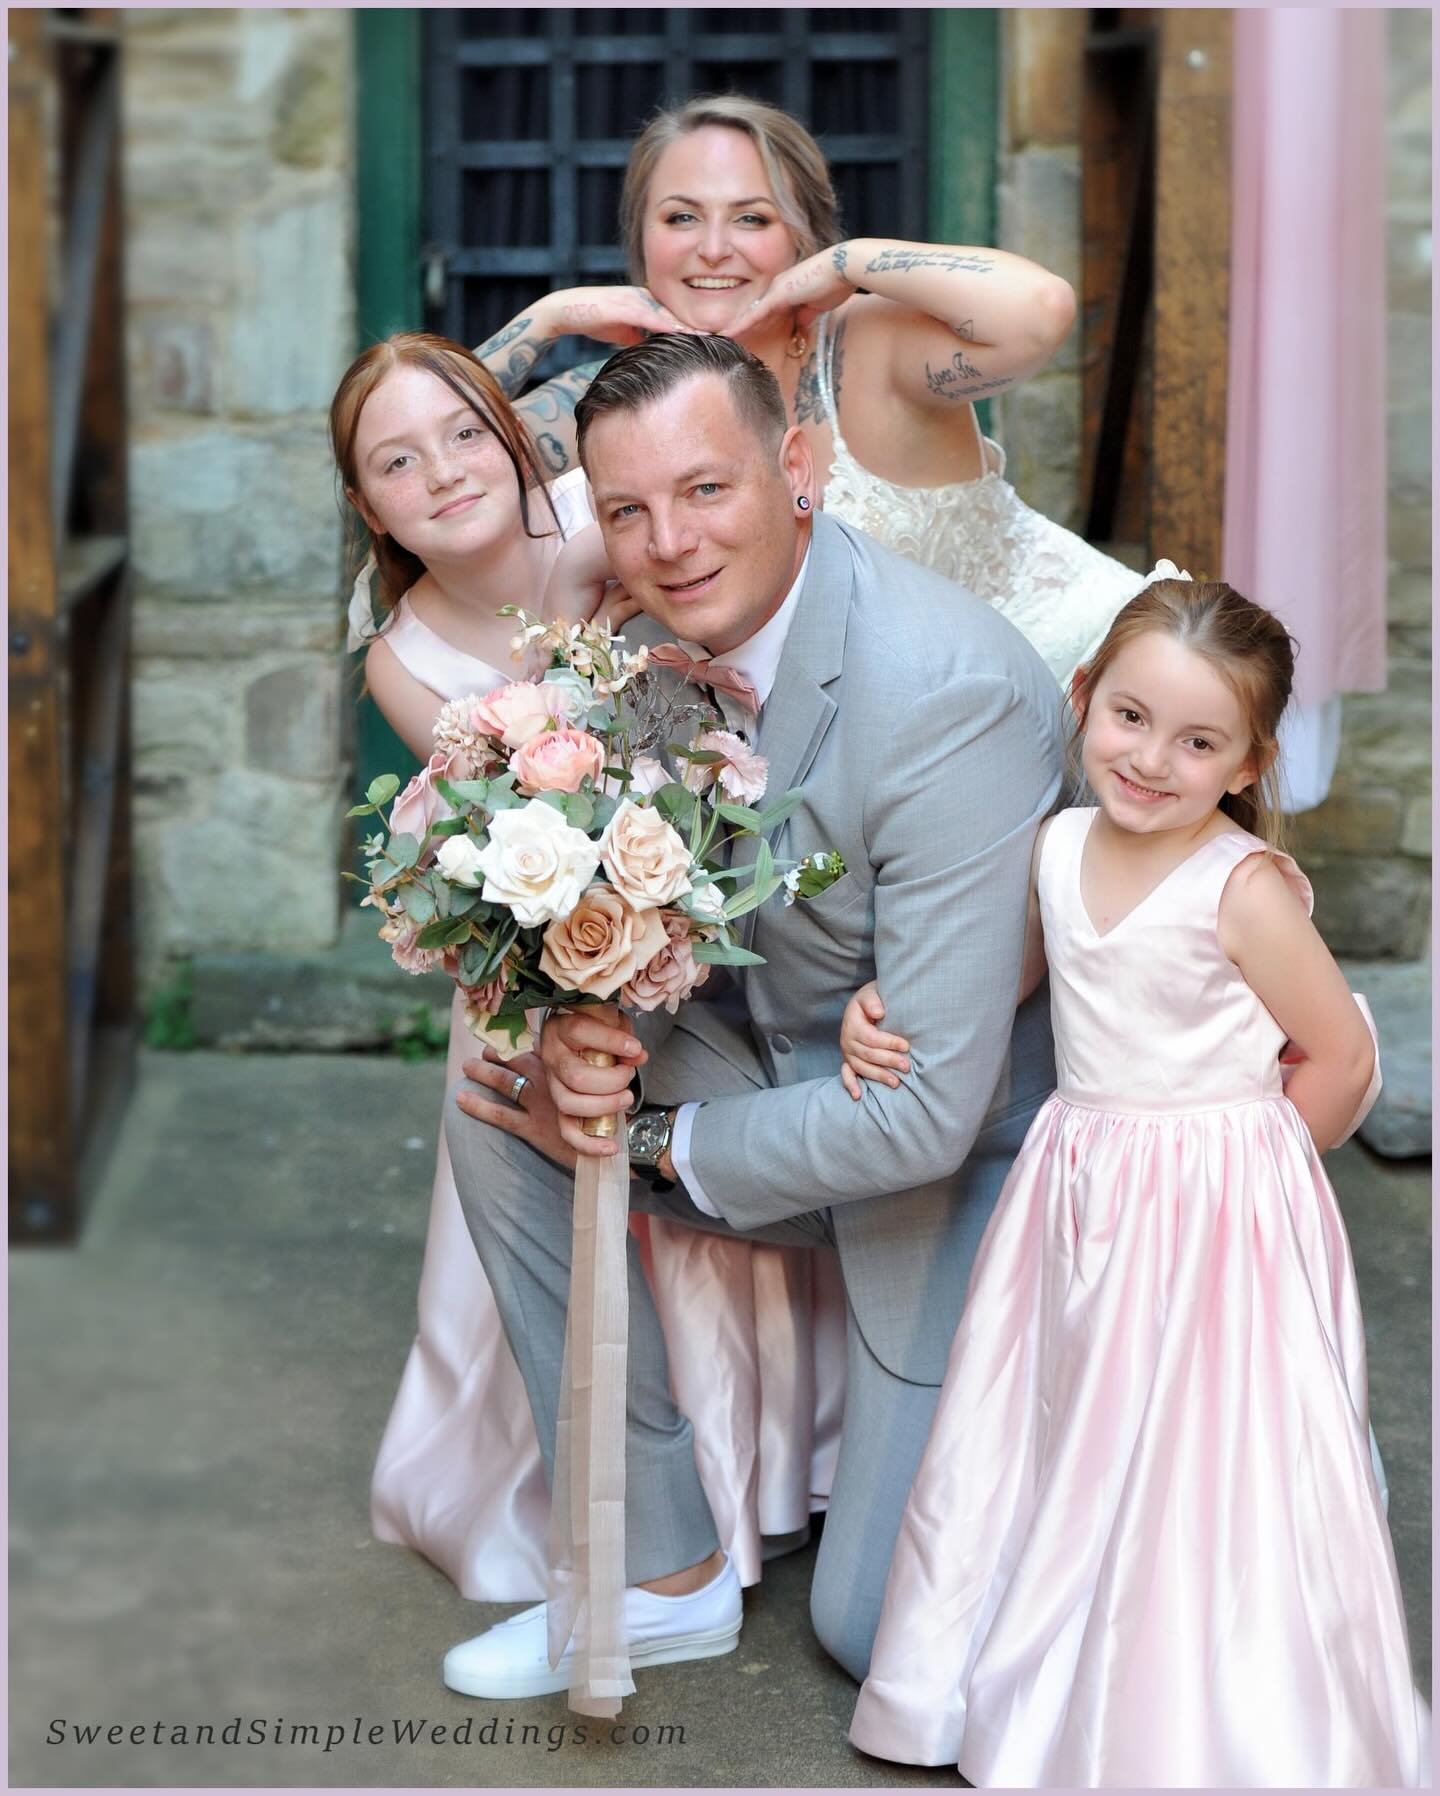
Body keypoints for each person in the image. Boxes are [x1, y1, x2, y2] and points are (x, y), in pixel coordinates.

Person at [439, 331, 1064, 1699]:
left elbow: (924, 1115)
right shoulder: (653, 659)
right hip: (788, 1061)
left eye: (706, 490)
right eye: (627, 509)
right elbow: (703, 925)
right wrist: (584, 1027)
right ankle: (657, 1568)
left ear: (800, 466)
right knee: (501, 1096)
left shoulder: (939, 694)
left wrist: (646, 1135)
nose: (669, 541)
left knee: (880, 1641)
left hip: (960, 1175)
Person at [845, 577, 1430, 1786]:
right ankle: (1046, 1671)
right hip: (1077, 1181)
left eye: (1199, 740)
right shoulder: (1059, 846)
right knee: (1060, 1421)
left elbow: (1341, 1054)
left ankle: (1181, 1708)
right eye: (1129, 717)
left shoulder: (1242, 887)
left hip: (1217, 1208)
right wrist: (884, 1006)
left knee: (1195, 1450)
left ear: (1248, 759)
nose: (1153, 759)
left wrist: (1246, 1189)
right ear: (1083, 699)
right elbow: (1007, 976)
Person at [476, 93, 1138, 690]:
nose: (712, 249)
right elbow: (404, 447)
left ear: (803, 234)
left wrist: (848, 263)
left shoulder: (863, 346)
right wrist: (551, 316)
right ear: (640, 239)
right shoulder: (620, 403)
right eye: (681, 218)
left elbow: (1041, 310)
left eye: (752, 220)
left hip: (1090, 685)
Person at [333, 332, 619, 1600]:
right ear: (368, 505)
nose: (444, 473)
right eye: (398, 461)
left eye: (462, 431)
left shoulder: (608, 512)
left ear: (509, 427)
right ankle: (552, 1479)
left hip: (685, 928)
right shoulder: (403, 658)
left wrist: (565, 299)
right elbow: (502, 827)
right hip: (536, 958)